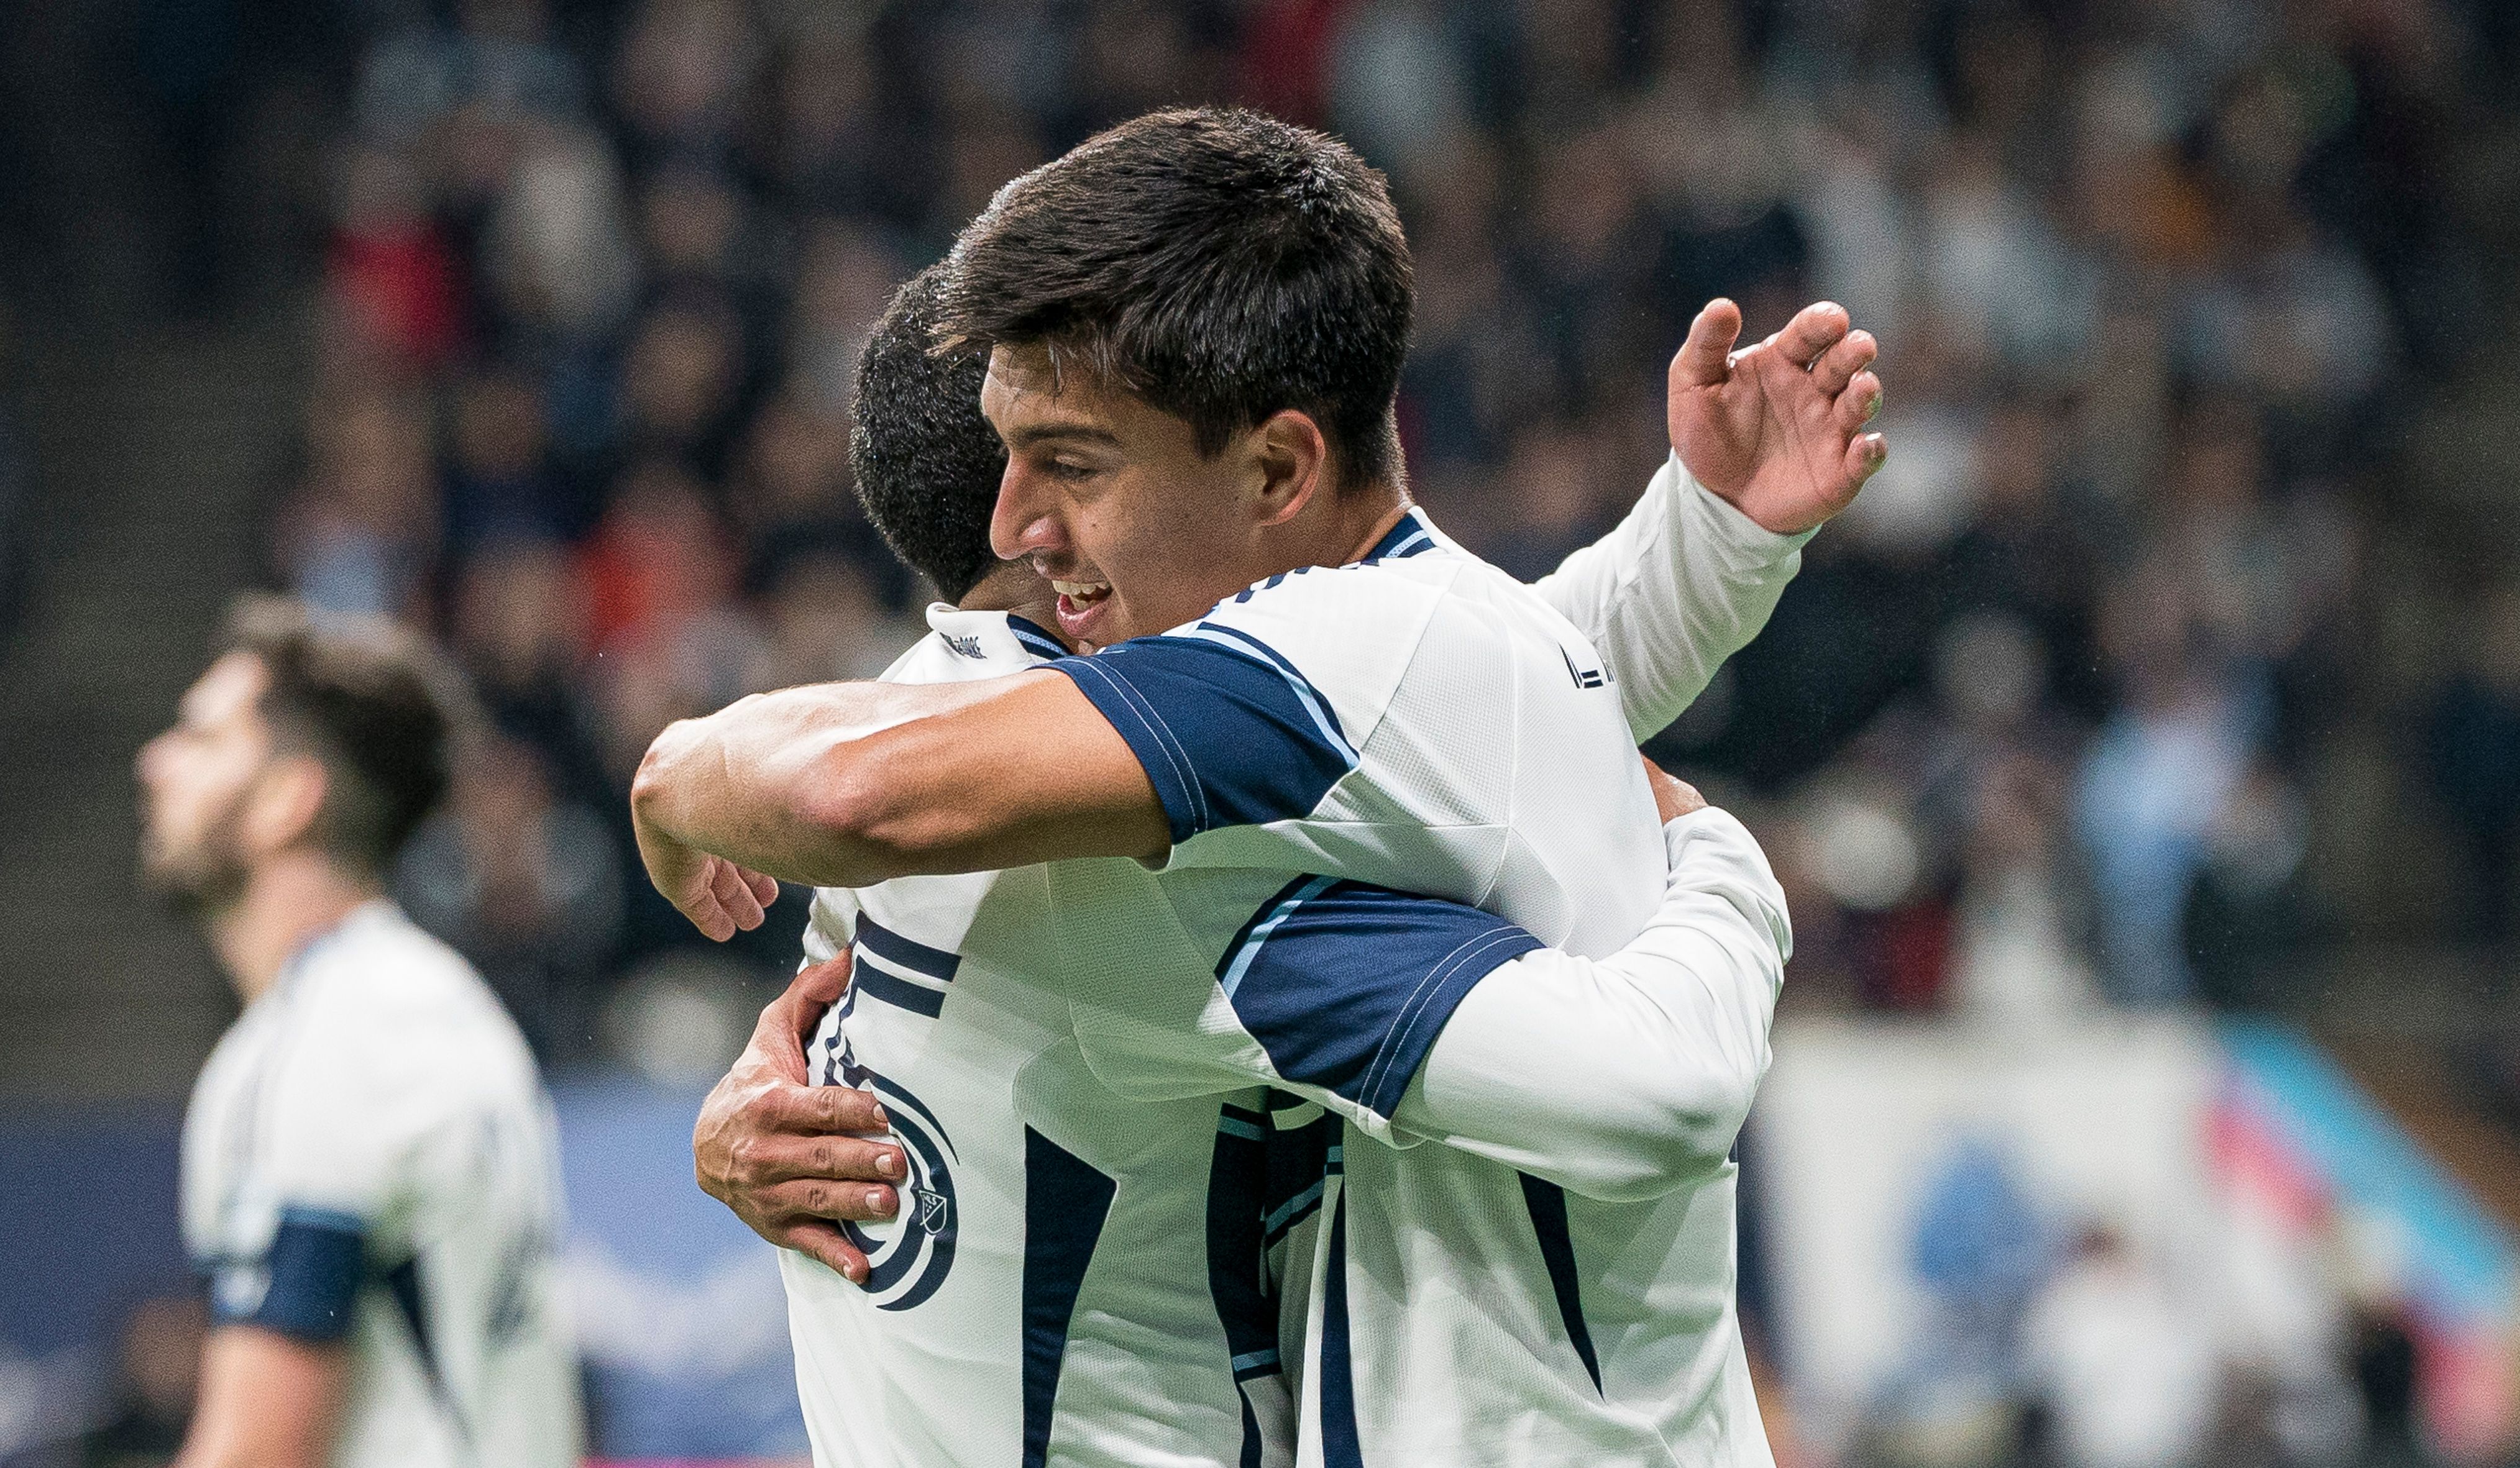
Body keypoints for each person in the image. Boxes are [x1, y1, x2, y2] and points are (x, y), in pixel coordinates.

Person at [643, 108, 1879, 1463]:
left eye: (1068, 465)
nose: (1025, 522)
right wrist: (1723, 863)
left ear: (1281, 465)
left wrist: (678, 778)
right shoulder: (1168, 775)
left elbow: (1450, 704)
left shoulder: (1198, 729)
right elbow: (1464, 726)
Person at [138, 596, 580, 1468]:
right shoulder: (445, 1006)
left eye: (203, 738)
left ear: (285, 802)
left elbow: (259, 1451)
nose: (155, 761)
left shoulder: (322, 1044)